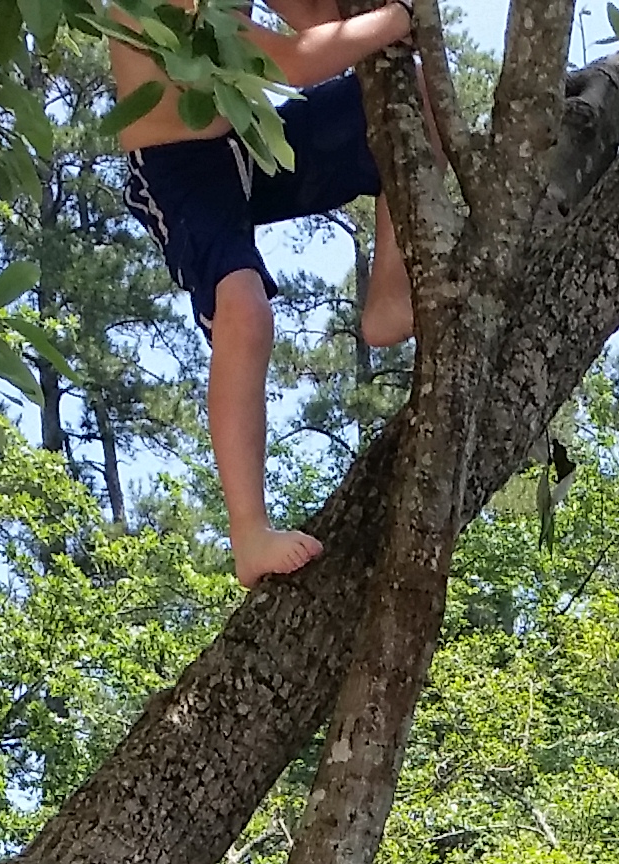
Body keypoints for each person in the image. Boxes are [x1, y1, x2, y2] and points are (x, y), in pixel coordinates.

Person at [110, 0, 419, 583]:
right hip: (177, 168)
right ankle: (248, 532)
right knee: (245, 312)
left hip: (252, 143)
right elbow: (296, 62)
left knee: (402, 100)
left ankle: (388, 296)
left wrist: (370, 14)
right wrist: (403, 16)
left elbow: (320, 23)